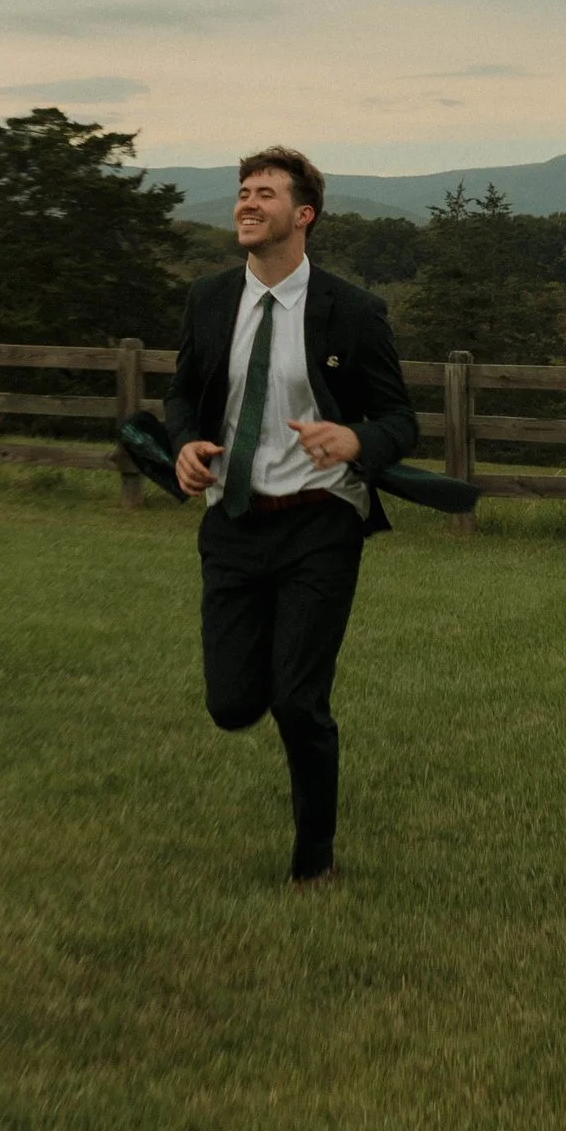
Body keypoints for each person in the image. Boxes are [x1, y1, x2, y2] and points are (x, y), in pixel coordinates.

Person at [164, 145, 418, 887]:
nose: (247, 203)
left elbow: (402, 420)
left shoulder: (354, 311)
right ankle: (256, 704)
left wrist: (357, 439)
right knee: (233, 703)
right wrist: (183, 444)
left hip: (320, 525)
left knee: (299, 700)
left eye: (265, 193)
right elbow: (182, 395)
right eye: (242, 192)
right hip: (234, 521)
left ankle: (316, 861)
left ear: (302, 215)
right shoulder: (209, 300)